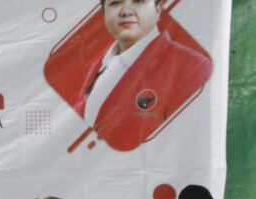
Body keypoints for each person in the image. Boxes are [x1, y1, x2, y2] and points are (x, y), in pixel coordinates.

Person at [72, 0, 212, 152]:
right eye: (115, 3)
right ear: (103, 13)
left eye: (138, 1)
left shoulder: (192, 67)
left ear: (158, 10)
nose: (126, 12)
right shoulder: (100, 66)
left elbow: (184, 146)